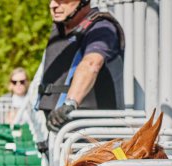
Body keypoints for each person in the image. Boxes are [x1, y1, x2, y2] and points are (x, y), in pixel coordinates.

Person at [37, 0, 124, 135]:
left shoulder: (101, 28)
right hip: (61, 131)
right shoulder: (60, 28)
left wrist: (70, 104)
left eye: (62, 1)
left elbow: (91, 64)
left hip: (92, 133)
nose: (53, 5)